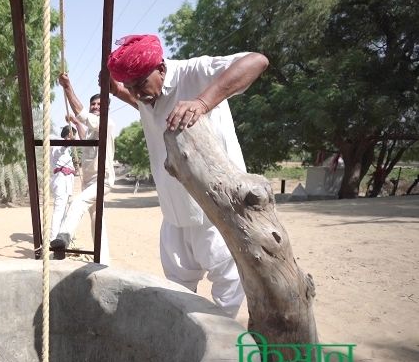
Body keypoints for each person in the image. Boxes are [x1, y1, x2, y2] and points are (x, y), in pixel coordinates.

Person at [106, 34, 269, 317]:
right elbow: (143, 103)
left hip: (217, 213)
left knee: (226, 303)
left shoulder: (195, 71)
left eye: (140, 84)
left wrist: (202, 103)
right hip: (175, 216)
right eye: (130, 87)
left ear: (160, 68)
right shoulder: (146, 95)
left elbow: (257, 60)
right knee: (179, 301)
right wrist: (118, 89)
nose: (137, 93)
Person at [51, 73, 116, 265]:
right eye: (93, 105)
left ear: (106, 108)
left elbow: (83, 115)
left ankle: (63, 238)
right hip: (89, 180)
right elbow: (84, 130)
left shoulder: (107, 123)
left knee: (77, 202)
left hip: (102, 180)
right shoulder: (91, 129)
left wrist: (68, 87)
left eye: (99, 105)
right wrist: (75, 122)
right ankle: (103, 262)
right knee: (97, 221)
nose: (95, 107)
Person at [50, 125, 77, 240]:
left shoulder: (67, 149)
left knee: (65, 209)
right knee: (59, 209)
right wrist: (67, 142)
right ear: (69, 134)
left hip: (68, 180)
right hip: (61, 179)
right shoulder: (58, 142)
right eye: (73, 135)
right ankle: (53, 238)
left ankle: (60, 235)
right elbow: (60, 149)